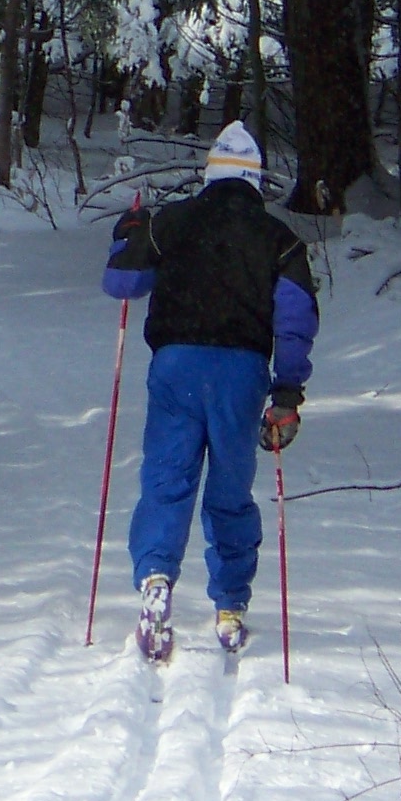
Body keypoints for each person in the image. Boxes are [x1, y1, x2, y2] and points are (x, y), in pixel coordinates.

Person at [101, 120, 318, 661]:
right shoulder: (280, 239)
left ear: (210, 175)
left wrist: (130, 233)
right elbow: (295, 320)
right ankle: (230, 607)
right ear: (256, 180)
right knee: (229, 489)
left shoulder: (171, 223)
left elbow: (122, 284)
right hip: (240, 373)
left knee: (166, 479)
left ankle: (155, 579)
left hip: (175, 365)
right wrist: (286, 395)